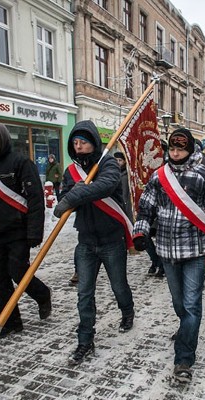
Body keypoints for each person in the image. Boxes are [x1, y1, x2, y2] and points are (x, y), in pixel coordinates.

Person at [132, 128, 205, 383]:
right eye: (172, 149)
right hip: (166, 249)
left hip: (195, 250)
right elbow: (146, 207)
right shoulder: (159, 176)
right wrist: (141, 232)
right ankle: (186, 326)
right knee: (179, 303)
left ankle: (184, 359)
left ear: (190, 150)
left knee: (191, 304)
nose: (175, 153)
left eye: (180, 149)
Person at [54, 120, 135, 366]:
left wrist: (77, 194)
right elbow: (64, 195)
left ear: (94, 143)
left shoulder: (107, 162)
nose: (79, 147)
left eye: (84, 142)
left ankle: (127, 310)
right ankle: (85, 340)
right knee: (84, 293)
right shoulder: (71, 171)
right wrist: (70, 194)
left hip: (111, 239)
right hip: (86, 241)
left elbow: (107, 185)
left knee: (118, 286)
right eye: (75, 143)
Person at [0, 123, 52, 340]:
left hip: (19, 231)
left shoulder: (20, 163)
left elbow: (35, 199)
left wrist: (34, 231)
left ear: (2, 138)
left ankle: (42, 294)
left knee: (18, 271)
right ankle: (11, 322)